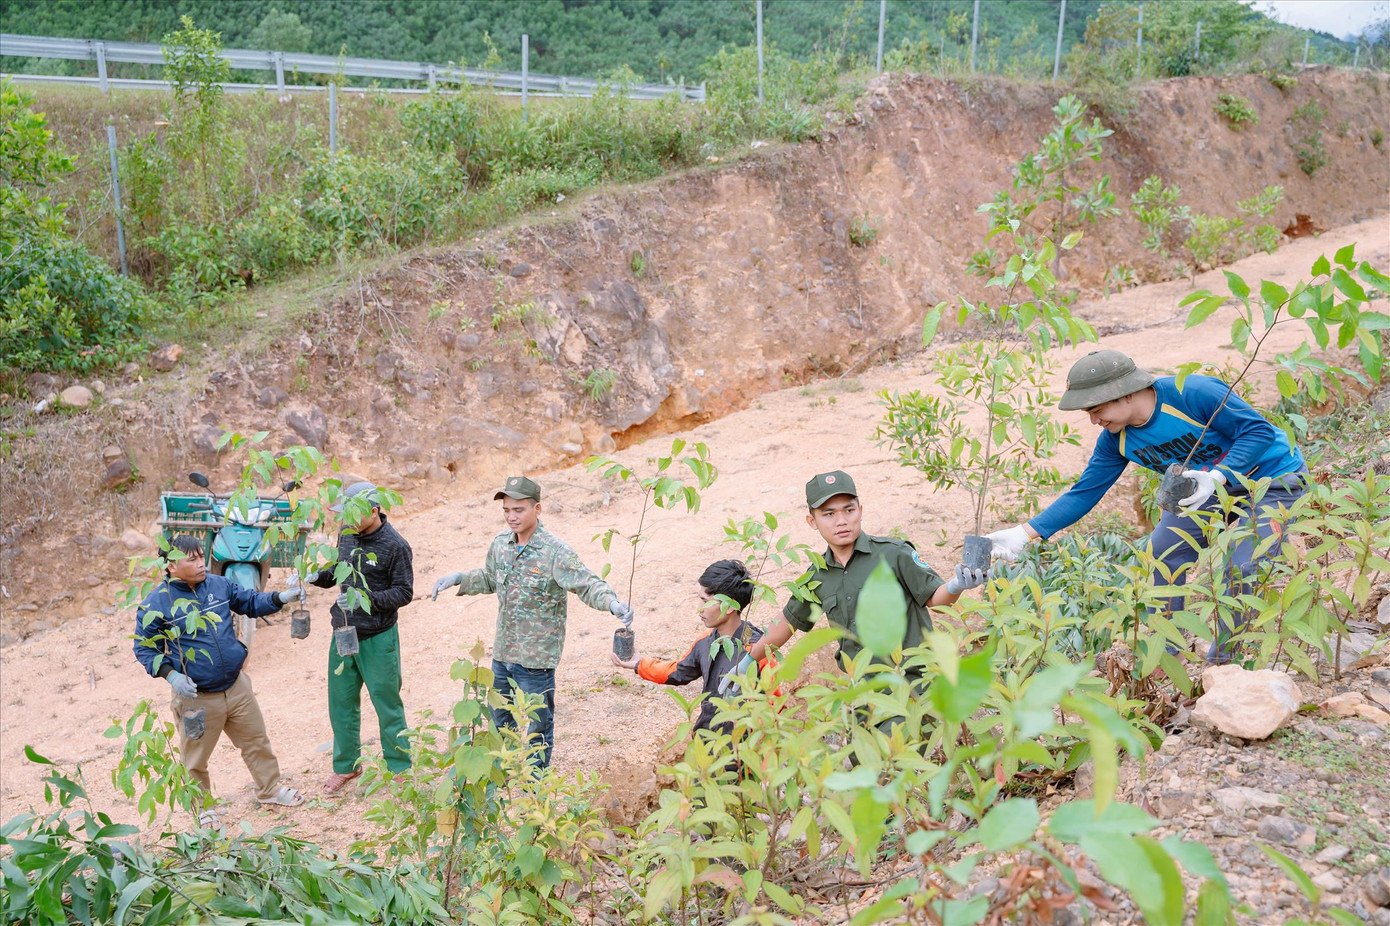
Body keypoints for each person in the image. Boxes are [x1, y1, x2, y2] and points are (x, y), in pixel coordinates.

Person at [985, 349, 1308, 662]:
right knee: (1164, 549)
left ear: (1126, 393)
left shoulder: (1193, 393)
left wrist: (1219, 476)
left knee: (1240, 565)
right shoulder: (1116, 440)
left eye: (1096, 408)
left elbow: (1259, 432)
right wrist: (1025, 533)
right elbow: (1084, 493)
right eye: (1088, 413)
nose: (1094, 420)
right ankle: (1166, 656)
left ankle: (1226, 662)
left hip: (1272, 478)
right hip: (1201, 490)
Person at [430, 475, 635, 768]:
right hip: (504, 652)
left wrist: (613, 603)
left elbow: (586, 583)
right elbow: (490, 577)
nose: (511, 517)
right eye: (506, 511)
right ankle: (508, 774)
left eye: (519, 510)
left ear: (537, 509)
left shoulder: (555, 551)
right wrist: (459, 578)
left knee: (538, 725)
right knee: (500, 719)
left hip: (537, 659)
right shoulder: (501, 544)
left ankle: (534, 786)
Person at [133, 534, 307, 820]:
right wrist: (171, 675)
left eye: (202, 557)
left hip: (237, 687)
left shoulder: (218, 585)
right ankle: (203, 809)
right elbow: (144, 647)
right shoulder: (157, 604)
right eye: (192, 559)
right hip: (197, 700)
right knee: (195, 759)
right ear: (171, 566)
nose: (201, 564)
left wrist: (279, 598)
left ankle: (270, 789)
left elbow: (250, 602)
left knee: (256, 741)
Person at [746, 470, 989, 671]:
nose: (841, 521)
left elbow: (935, 598)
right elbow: (787, 623)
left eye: (848, 510)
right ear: (812, 521)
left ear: (860, 510)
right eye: (829, 514)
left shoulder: (894, 553)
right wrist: (746, 662)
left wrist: (956, 585)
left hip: (913, 685)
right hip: (862, 696)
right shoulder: (817, 575)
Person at [306, 481, 415, 794]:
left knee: (387, 701)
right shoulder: (347, 534)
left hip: (378, 637)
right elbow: (337, 572)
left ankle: (399, 766)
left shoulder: (395, 546)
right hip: (343, 632)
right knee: (341, 702)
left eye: (353, 513)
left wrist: (364, 598)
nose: (347, 519)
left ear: (374, 510)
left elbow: (404, 592)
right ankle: (346, 767)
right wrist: (315, 575)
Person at [612, 559, 774, 738]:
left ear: (729, 607)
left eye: (705, 602)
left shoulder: (758, 651)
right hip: (706, 745)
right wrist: (640, 664)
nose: (699, 609)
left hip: (742, 755)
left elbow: (774, 710)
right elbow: (678, 671)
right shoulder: (707, 641)